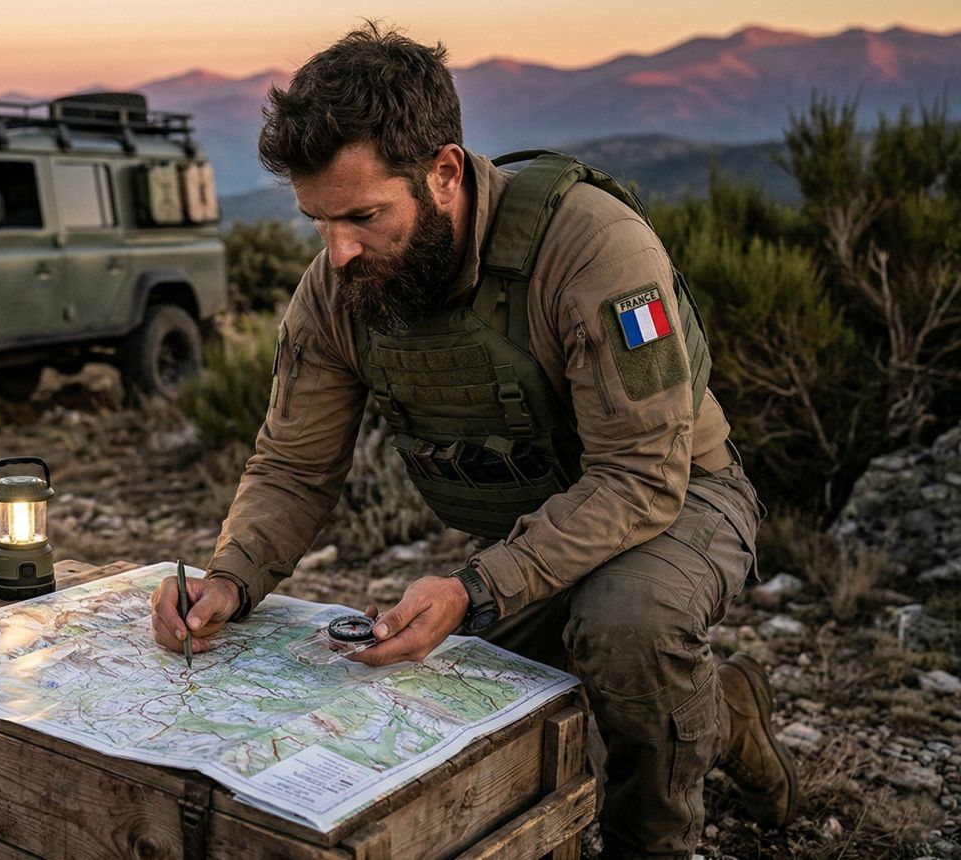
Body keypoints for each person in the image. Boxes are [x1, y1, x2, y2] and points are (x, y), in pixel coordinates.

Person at [149, 24, 797, 859]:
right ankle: (726, 710)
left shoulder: (590, 247)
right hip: (535, 525)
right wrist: (230, 578)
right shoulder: (338, 288)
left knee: (627, 630)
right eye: (317, 221)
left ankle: (653, 840)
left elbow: (640, 474)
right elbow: (293, 464)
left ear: (445, 173)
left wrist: (476, 586)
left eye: (363, 216)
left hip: (679, 498)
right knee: (452, 702)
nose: (338, 252)